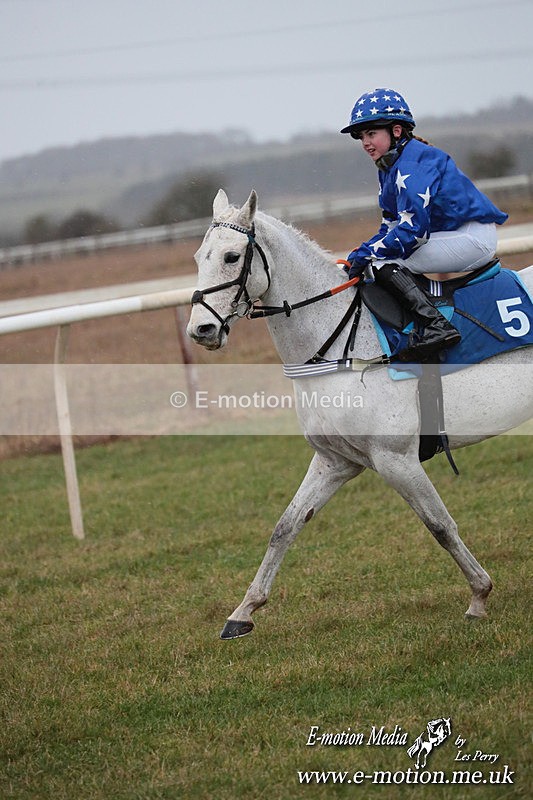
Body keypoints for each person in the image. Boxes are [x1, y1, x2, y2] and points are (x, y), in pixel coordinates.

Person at [340, 87, 508, 361]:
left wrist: (369, 253)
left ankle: (435, 325)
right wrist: (361, 250)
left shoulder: (413, 164)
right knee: (375, 257)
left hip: (472, 238)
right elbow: (390, 228)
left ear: (396, 131)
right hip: (452, 235)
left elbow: (414, 233)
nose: (365, 143)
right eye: (361, 137)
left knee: (381, 263)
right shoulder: (389, 166)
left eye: (371, 134)